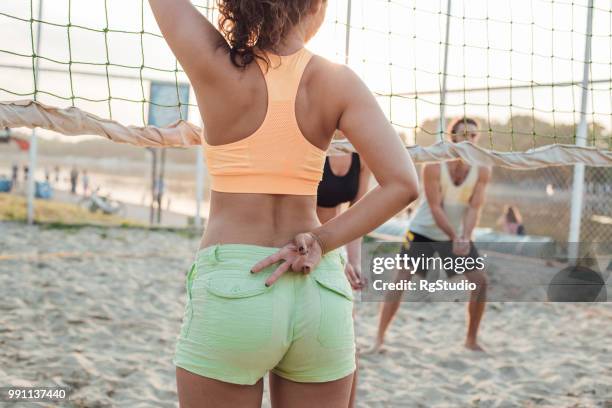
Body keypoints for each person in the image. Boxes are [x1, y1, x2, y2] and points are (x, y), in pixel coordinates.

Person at [88, 1, 419, 406]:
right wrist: (322, 240)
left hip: (238, 283)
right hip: (318, 287)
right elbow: (402, 184)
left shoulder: (214, 63)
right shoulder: (337, 81)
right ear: (316, 6)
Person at [369, 117, 491, 353]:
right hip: (423, 230)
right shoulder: (434, 164)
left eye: (473, 135)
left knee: (480, 282)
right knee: (401, 279)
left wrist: (465, 236)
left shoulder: (483, 168)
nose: (469, 139)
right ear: (452, 137)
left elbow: (475, 208)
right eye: (464, 134)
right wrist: (455, 236)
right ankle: (379, 339)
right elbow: (435, 207)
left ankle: (471, 340)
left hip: (455, 234)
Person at [316, 131, 372, 408]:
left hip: (333, 245)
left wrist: (354, 261)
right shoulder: (315, 142)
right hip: (300, 239)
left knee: (348, 334)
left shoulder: (360, 153)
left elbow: (358, 215)